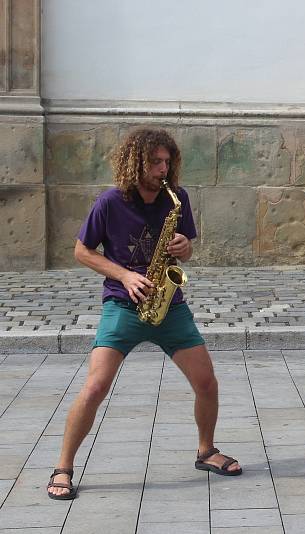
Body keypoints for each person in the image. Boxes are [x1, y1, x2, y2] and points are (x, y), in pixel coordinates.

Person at [47, 129, 241, 500]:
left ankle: (206, 451)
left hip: (169, 305)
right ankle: (64, 467)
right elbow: (82, 251)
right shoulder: (109, 202)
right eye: (155, 162)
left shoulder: (176, 198)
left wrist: (185, 248)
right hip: (123, 304)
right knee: (95, 386)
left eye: (167, 161)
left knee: (207, 382)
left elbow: (185, 251)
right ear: (136, 162)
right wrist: (124, 275)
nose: (163, 169)